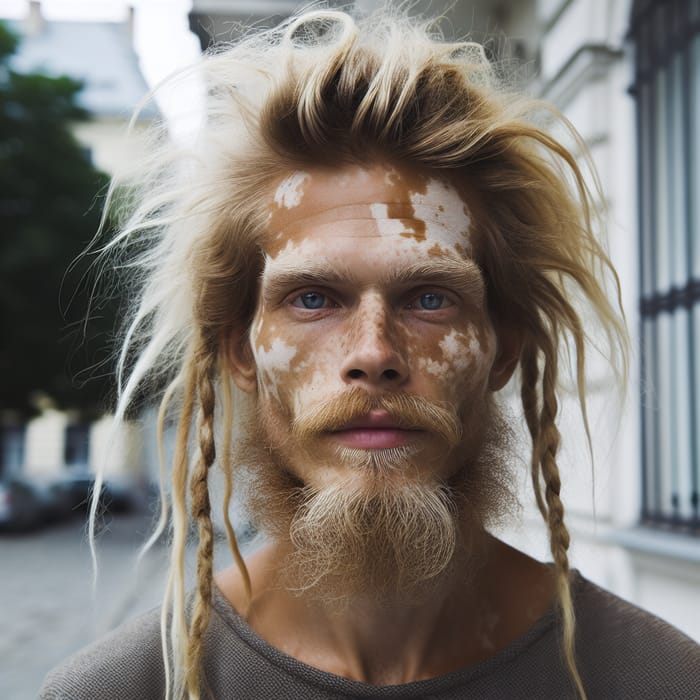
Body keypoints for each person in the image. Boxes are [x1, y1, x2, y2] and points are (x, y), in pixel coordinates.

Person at [40, 6, 700, 700]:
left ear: (503, 347)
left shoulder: (656, 681)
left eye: (430, 298)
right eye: (314, 299)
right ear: (240, 351)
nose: (374, 353)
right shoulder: (120, 689)